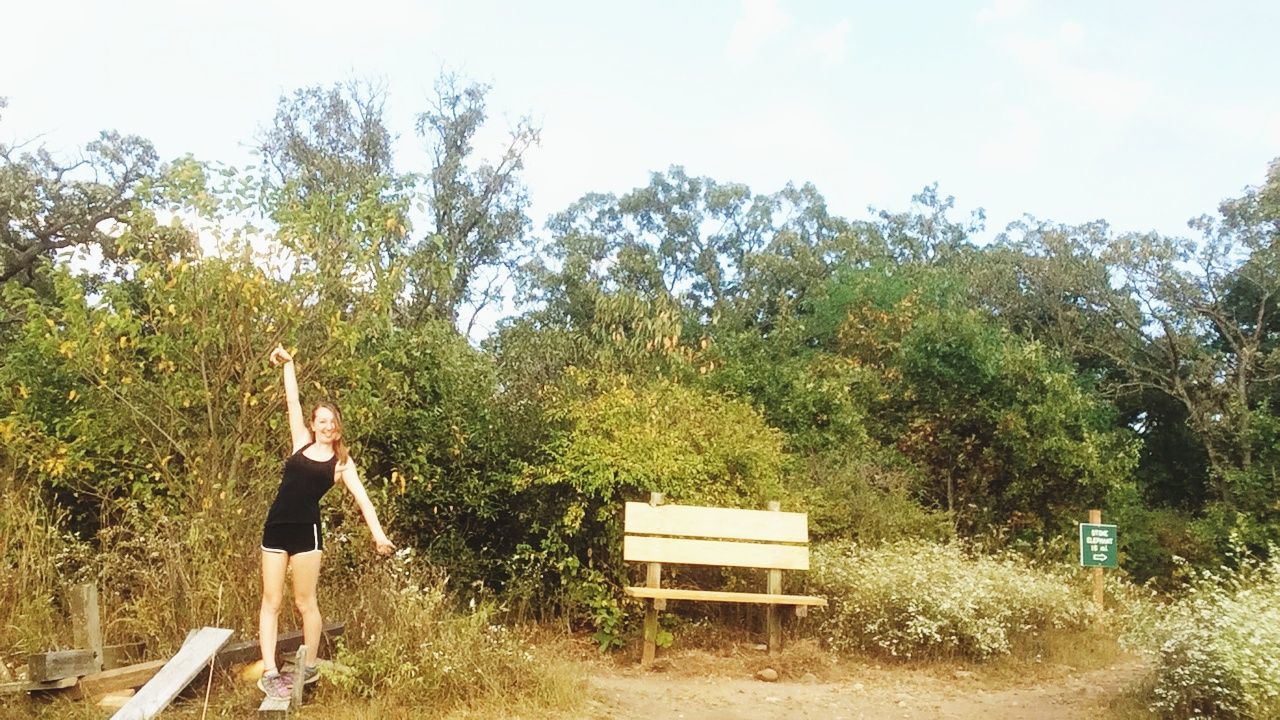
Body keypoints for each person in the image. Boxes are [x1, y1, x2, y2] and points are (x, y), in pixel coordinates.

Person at [257, 344, 395, 698]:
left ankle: (309, 668)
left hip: (307, 534)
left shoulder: (341, 463)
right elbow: (292, 402)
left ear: (337, 427)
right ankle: (271, 672)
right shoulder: (300, 443)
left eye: (332, 422)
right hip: (275, 529)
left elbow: (364, 502)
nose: (327, 426)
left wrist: (379, 537)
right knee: (271, 601)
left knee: (306, 603)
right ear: (313, 425)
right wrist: (288, 364)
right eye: (322, 421)